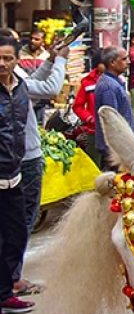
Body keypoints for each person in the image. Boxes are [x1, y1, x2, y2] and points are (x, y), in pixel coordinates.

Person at [12, 36, 69, 300]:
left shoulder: (16, 80)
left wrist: (50, 60)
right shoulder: (11, 85)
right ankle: (11, 280)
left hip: (24, 156)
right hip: (20, 158)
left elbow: (33, 81)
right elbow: (48, 88)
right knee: (20, 220)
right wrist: (60, 60)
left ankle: (11, 278)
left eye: (7, 57)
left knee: (21, 219)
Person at [0, 35, 32, 314]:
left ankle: (5, 293)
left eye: (7, 58)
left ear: (16, 61)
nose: (2, 63)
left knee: (17, 235)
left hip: (14, 175)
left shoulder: (20, 88)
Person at [94, 47, 134, 169]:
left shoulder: (114, 82)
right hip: (114, 149)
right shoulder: (108, 86)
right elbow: (112, 121)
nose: (129, 62)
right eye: (124, 59)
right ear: (112, 63)